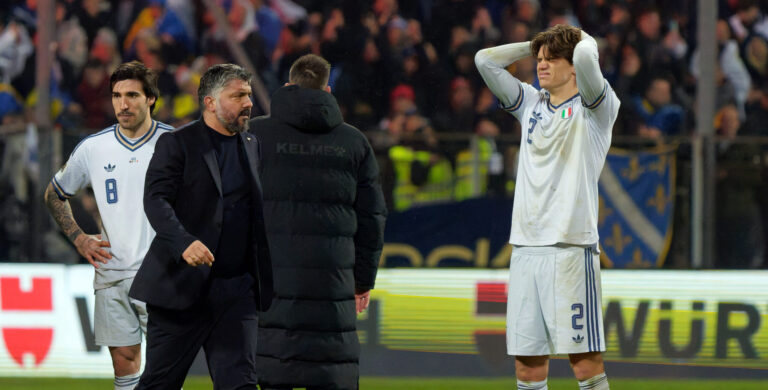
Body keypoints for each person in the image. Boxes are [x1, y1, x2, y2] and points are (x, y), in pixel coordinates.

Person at [475, 24, 620, 390]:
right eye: (539, 60)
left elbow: (586, 54)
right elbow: (485, 62)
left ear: (574, 68)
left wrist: (580, 39)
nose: (542, 65)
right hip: (525, 248)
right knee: (528, 365)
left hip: (570, 249)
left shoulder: (596, 108)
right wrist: (535, 45)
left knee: (585, 362)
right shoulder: (530, 104)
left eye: (552, 59)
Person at [128, 63, 273, 389]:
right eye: (238, 95)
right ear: (210, 102)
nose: (248, 102)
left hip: (236, 290)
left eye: (248, 94)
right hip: (181, 288)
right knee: (159, 384)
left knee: (241, 384)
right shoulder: (178, 143)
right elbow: (155, 200)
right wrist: (183, 242)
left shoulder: (252, 144)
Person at [250, 54, 386, 390]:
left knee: (273, 371)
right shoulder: (354, 142)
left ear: (287, 86)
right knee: (331, 373)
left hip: (270, 287)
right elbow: (372, 218)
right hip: (333, 287)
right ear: (327, 89)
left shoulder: (254, 136)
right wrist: (363, 279)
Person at [44, 61, 171, 390]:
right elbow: (54, 195)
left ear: (151, 99)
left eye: (132, 95)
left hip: (162, 273)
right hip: (111, 271)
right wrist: (79, 238)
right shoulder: (93, 147)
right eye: (116, 96)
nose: (123, 104)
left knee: (167, 367)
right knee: (124, 363)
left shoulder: (174, 144)